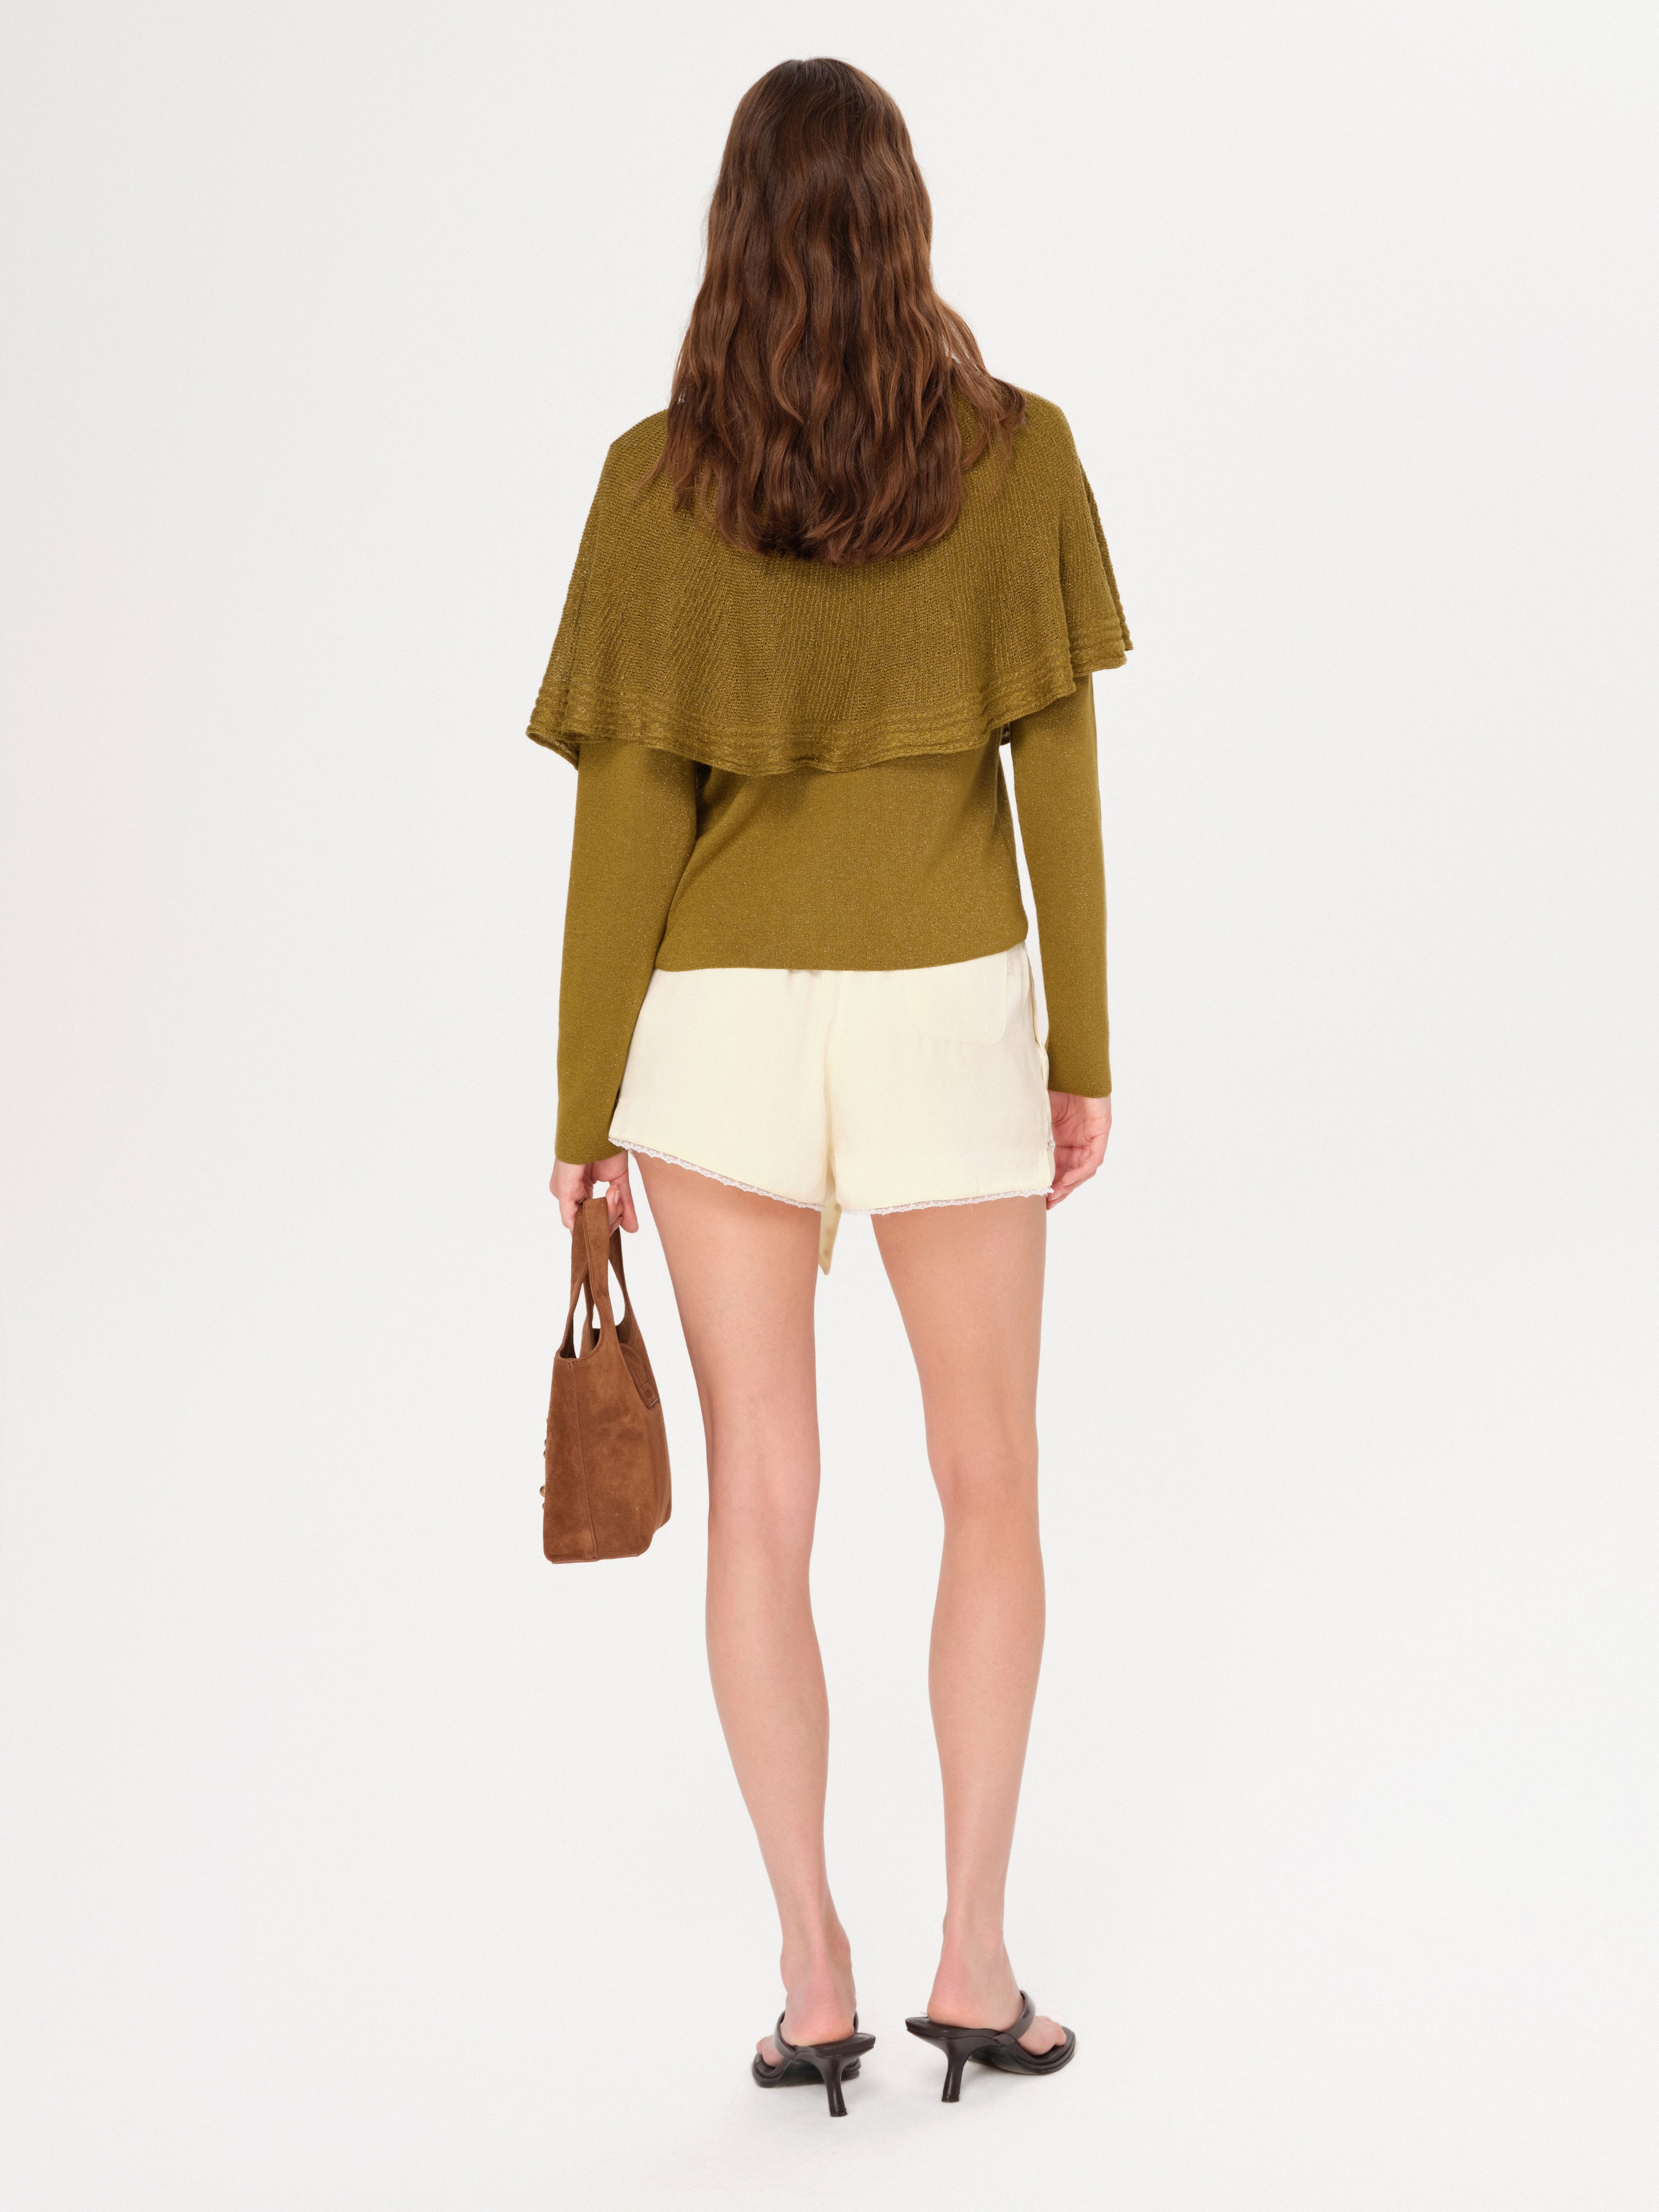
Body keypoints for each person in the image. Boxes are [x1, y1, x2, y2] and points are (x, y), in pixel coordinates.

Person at [530, 58, 1129, 2115]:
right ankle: (976, 1957)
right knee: (992, 1480)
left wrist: (582, 1118)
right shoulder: (1021, 458)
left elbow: (627, 822)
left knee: (761, 1504)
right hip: (953, 1001)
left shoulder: (653, 484)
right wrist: (1081, 1056)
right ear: (904, 219)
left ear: (735, 235)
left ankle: (813, 1975)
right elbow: (1059, 774)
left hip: (716, 1027)